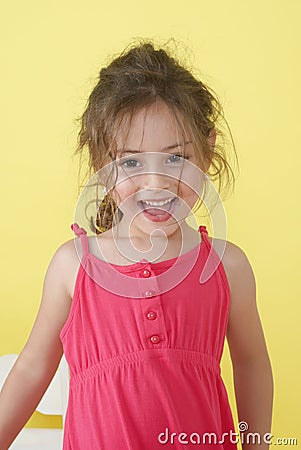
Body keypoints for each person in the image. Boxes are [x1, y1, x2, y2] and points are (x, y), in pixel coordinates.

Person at [0, 39, 273, 449]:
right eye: (130, 162)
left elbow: (251, 364)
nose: (156, 181)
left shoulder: (226, 266)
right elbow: (33, 368)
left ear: (207, 150)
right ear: (101, 167)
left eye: (175, 157)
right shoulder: (73, 266)